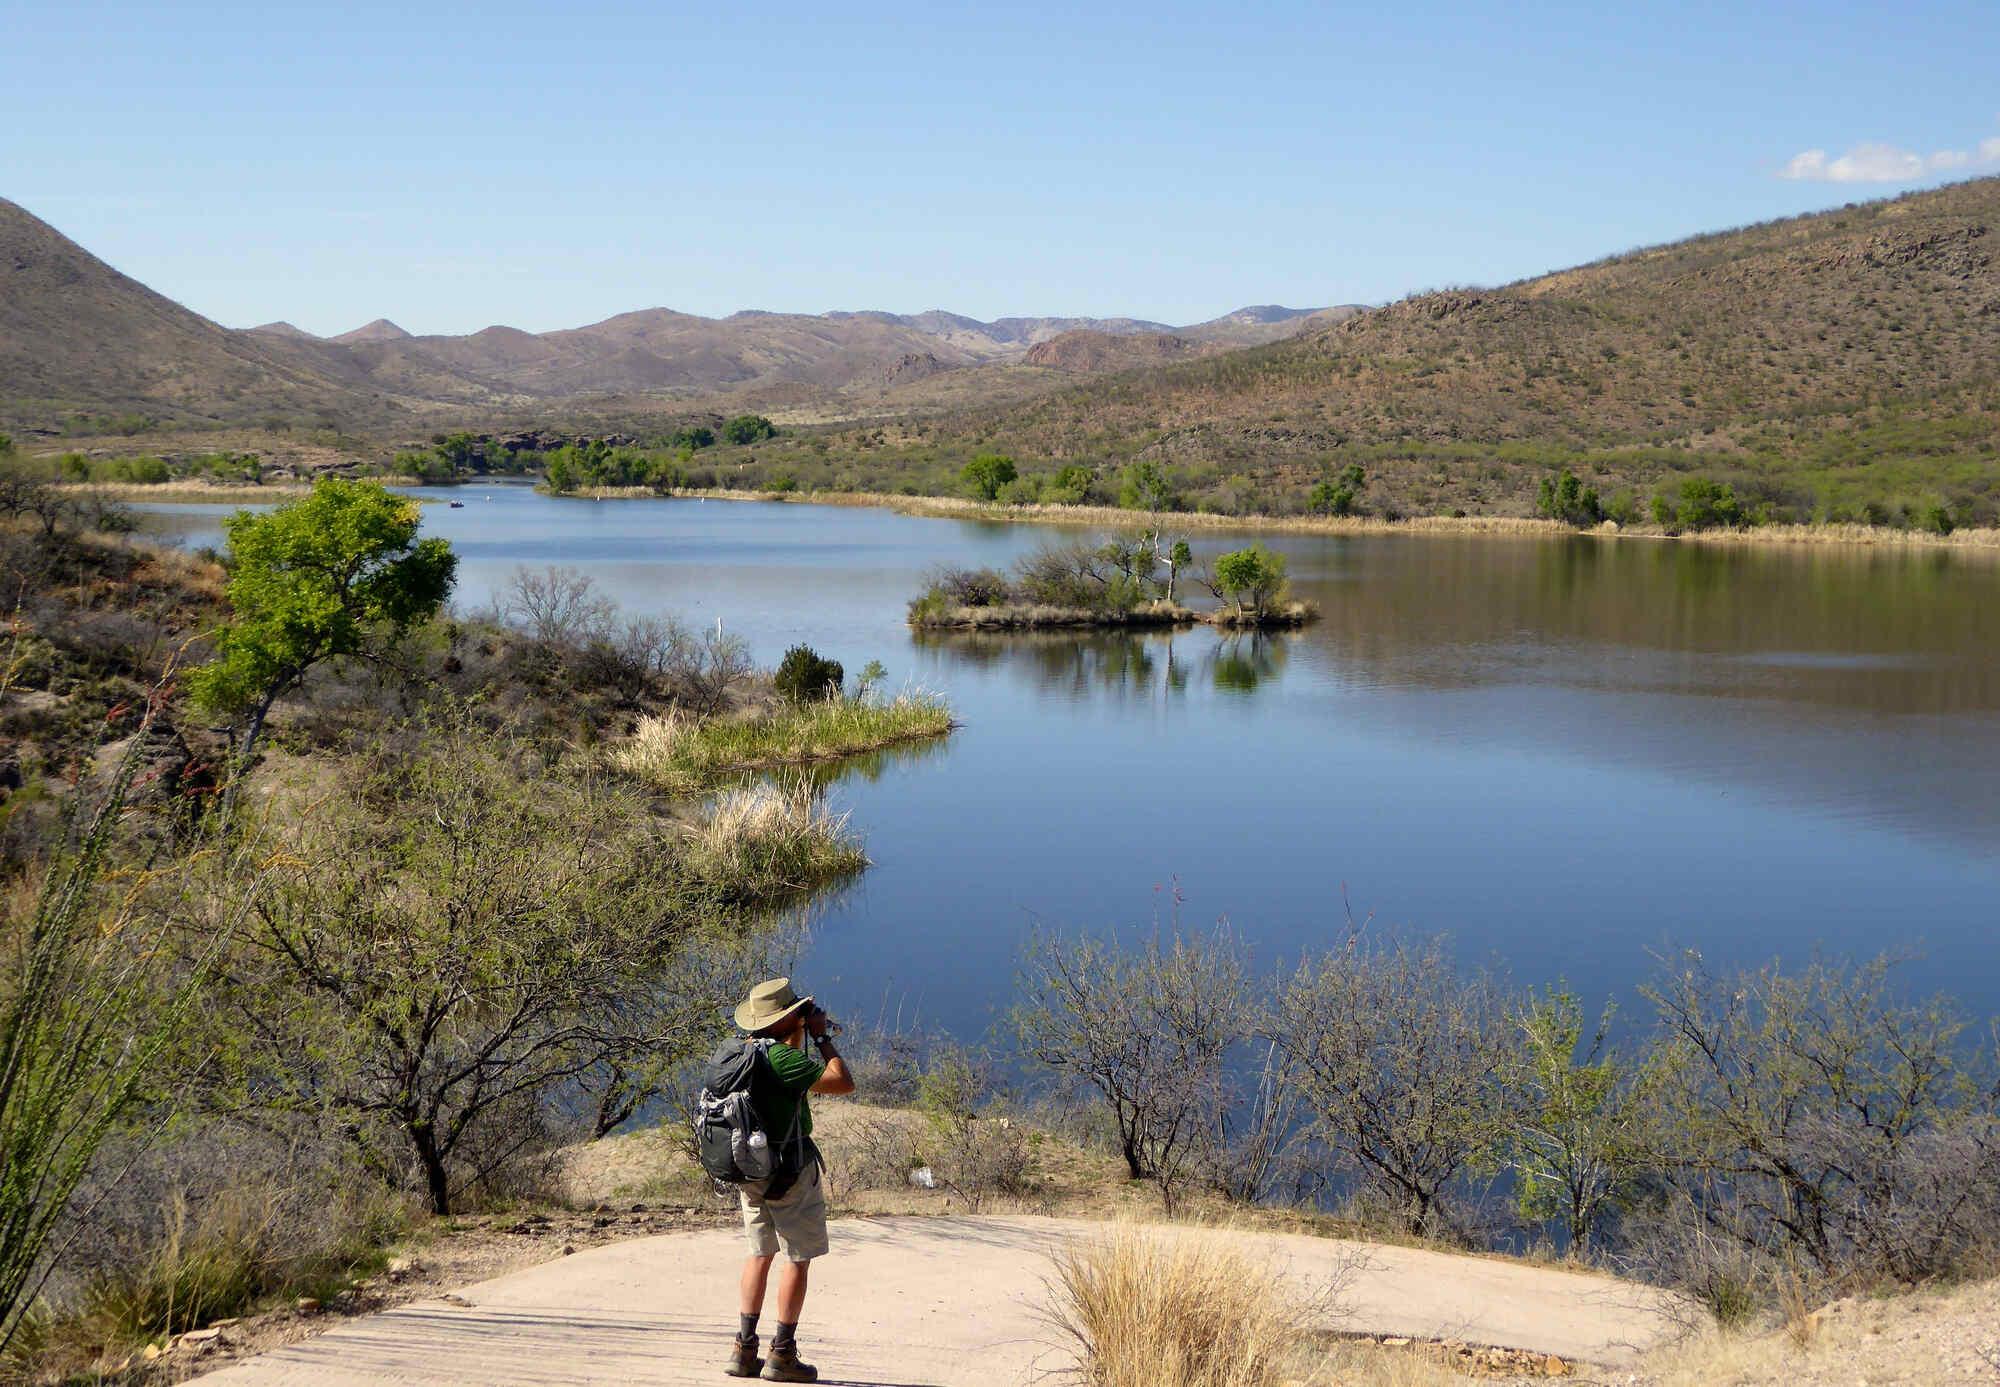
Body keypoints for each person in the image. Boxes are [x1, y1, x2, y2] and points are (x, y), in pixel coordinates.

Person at [726, 977, 855, 1383]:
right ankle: (782, 1355)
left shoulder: (738, 1053)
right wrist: (820, 1038)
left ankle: (743, 1351)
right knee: (798, 1258)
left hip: (749, 1168)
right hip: (788, 1171)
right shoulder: (784, 1060)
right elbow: (842, 1082)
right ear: (785, 1021)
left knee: (758, 1254)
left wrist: (797, 1032)